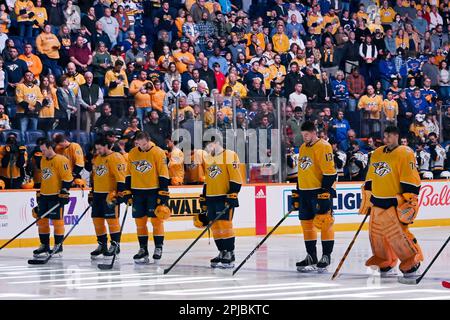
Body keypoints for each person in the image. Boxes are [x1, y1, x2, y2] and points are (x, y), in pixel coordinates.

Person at [359, 126, 423, 279]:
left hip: (394, 201)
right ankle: (385, 260)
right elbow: (370, 176)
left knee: (398, 235)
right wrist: (368, 196)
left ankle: (412, 260)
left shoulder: (405, 153)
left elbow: (411, 177)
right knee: (376, 235)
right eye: (384, 136)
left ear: (396, 136)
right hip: (377, 201)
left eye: (389, 136)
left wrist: (409, 198)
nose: (385, 139)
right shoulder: (377, 153)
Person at [291, 121, 337, 272]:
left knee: (325, 223)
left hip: (319, 192)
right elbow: (303, 171)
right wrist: (298, 191)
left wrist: (325, 191)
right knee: (307, 226)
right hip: (305, 192)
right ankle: (311, 256)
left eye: (307, 134)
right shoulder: (303, 147)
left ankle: (326, 256)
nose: (304, 137)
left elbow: (330, 172)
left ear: (314, 132)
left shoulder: (324, 146)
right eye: (303, 135)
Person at [124, 131, 171, 263]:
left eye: (144, 144)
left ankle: (158, 247)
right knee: (140, 222)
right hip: (137, 192)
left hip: (153, 191)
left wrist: (163, 192)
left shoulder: (158, 152)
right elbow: (128, 173)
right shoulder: (133, 152)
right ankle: (143, 249)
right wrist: (127, 191)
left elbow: (163, 173)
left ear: (148, 140)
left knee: (156, 221)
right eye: (139, 144)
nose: (142, 147)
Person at [197, 134, 243, 268]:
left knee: (225, 225)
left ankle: (230, 253)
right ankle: (222, 252)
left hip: (224, 197)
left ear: (217, 143)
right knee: (215, 226)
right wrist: (204, 198)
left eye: (209, 145)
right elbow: (207, 179)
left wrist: (233, 193)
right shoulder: (208, 158)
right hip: (211, 197)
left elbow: (236, 177)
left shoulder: (230, 155)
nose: (207, 149)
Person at [32, 138, 72, 258]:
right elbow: (45, 177)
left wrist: (64, 192)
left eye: (44, 150)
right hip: (44, 195)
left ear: (50, 148)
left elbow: (67, 178)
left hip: (56, 195)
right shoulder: (43, 159)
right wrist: (40, 194)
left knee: (57, 222)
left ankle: (58, 247)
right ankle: (44, 245)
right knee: (42, 222)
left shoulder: (62, 160)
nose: (42, 153)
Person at [88, 138, 127, 259]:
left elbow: (121, 177)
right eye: (96, 149)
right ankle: (102, 245)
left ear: (106, 146)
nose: (98, 151)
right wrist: (92, 193)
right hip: (98, 195)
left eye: (99, 148)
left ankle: (115, 245)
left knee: (112, 220)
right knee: (97, 220)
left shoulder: (116, 157)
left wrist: (120, 194)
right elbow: (94, 177)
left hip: (110, 195)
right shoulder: (97, 159)